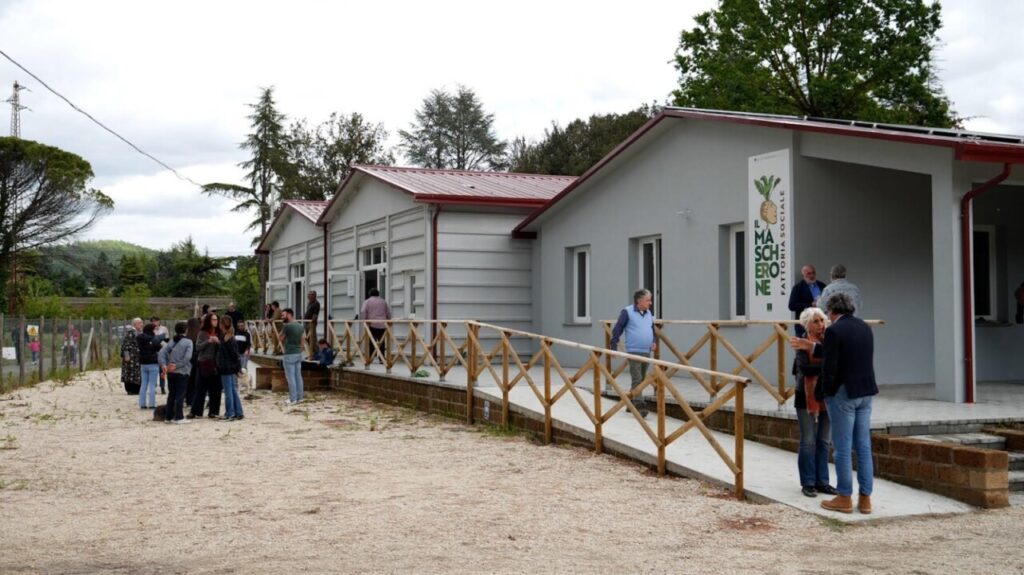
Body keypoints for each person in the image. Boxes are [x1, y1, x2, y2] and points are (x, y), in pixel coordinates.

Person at [794, 292, 878, 514]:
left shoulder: (834, 331)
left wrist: (825, 393)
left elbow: (830, 365)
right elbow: (843, 353)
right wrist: (810, 346)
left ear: (831, 311)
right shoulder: (864, 327)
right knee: (863, 447)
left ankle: (844, 497)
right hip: (865, 392)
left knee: (841, 449)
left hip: (843, 395)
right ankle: (866, 499)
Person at [792, 307, 835, 498]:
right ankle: (808, 482)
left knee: (824, 441)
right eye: (816, 321)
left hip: (827, 394)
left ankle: (822, 481)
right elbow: (804, 368)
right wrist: (826, 366)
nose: (820, 325)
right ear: (807, 324)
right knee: (808, 441)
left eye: (822, 320)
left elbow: (837, 361)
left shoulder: (829, 342)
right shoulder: (803, 343)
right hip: (806, 395)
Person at [608, 289, 658, 418]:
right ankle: (639, 406)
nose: (650, 303)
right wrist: (613, 347)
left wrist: (654, 341)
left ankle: (630, 404)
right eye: (648, 300)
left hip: (646, 351)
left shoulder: (648, 313)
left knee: (641, 379)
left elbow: (651, 329)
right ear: (639, 300)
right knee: (637, 379)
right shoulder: (627, 312)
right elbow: (618, 328)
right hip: (634, 351)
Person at [158, 321, 194, 424]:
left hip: (171, 372)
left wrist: (164, 365)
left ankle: (168, 417)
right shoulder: (188, 342)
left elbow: (161, 353)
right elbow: (187, 357)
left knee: (171, 395)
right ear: (186, 330)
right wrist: (177, 365)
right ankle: (179, 417)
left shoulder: (172, 341)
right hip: (182, 371)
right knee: (180, 395)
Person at [189, 313, 222, 419]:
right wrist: (208, 341)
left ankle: (213, 411)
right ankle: (196, 411)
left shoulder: (219, 332)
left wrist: (218, 342)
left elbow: (224, 347)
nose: (215, 321)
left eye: (216, 319)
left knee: (216, 389)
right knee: (200, 388)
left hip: (216, 363)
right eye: (213, 319)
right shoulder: (202, 333)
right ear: (208, 320)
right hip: (204, 362)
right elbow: (198, 347)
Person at [217, 315, 244, 421]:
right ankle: (238, 411)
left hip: (226, 367)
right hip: (229, 367)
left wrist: (238, 368)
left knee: (229, 391)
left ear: (222, 325)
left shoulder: (227, 338)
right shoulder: (228, 337)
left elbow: (234, 355)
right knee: (232, 390)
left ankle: (230, 413)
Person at [789, 265, 827, 337]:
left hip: (821, 325)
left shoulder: (822, 286)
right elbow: (792, 305)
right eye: (809, 273)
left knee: (820, 347)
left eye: (813, 273)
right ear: (803, 275)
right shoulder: (798, 288)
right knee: (803, 347)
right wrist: (810, 305)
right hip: (804, 326)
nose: (812, 275)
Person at [279, 308, 305, 405]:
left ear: (289, 314)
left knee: (291, 378)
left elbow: (280, 338)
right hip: (298, 353)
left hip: (289, 353)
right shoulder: (300, 326)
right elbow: (303, 339)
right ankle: (300, 397)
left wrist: (283, 331)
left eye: (283, 315)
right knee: (298, 376)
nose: (282, 317)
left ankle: (292, 398)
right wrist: (300, 349)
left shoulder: (287, 326)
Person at [360, 288, 391, 362]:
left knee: (371, 341)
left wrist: (364, 321)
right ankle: (381, 358)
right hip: (383, 324)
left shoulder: (367, 301)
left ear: (370, 294)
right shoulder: (383, 302)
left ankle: (371, 357)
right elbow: (388, 312)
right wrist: (389, 320)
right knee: (382, 341)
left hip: (372, 324)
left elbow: (363, 311)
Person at [136, 323, 162, 410]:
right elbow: (159, 348)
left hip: (143, 362)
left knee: (143, 384)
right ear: (152, 330)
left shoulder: (139, 338)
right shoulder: (154, 338)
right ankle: (151, 404)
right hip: (153, 362)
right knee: (152, 384)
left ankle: (142, 403)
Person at [121, 318, 143, 395]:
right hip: (130, 358)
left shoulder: (139, 332)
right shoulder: (130, 333)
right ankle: (130, 390)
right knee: (129, 373)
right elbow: (125, 345)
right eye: (140, 323)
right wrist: (126, 356)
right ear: (135, 324)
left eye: (141, 323)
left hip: (137, 358)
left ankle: (136, 389)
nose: (141, 324)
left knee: (136, 373)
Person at [184, 317, 202, 408]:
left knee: (189, 382)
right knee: (196, 382)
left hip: (188, 362)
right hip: (197, 361)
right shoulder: (199, 336)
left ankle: (188, 400)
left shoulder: (187, 337)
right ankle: (194, 400)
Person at [151, 316, 169, 394]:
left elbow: (167, 339)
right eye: (153, 321)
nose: (154, 322)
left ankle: (162, 387)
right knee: (154, 370)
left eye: (156, 321)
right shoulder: (150, 329)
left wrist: (159, 342)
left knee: (162, 369)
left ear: (159, 321)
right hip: (153, 352)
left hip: (162, 350)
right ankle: (154, 387)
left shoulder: (164, 329)